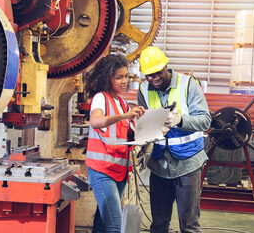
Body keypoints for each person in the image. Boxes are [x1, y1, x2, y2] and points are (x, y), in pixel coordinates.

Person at [137, 46, 211, 233]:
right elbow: (146, 125)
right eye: (149, 75)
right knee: (159, 224)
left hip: (188, 163)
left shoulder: (188, 84)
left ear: (166, 66)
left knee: (189, 225)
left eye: (158, 73)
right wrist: (142, 146)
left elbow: (205, 120)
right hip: (159, 164)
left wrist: (181, 120)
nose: (154, 79)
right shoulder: (144, 89)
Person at [85, 54, 145, 233]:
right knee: (115, 226)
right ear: (107, 78)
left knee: (104, 224)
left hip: (119, 171)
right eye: (119, 77)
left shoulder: (123, 103)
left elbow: (124, 136)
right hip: (102, 171)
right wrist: (125, 116)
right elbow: (95, 122)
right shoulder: (101, 98)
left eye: (126, 76)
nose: (124, 81)